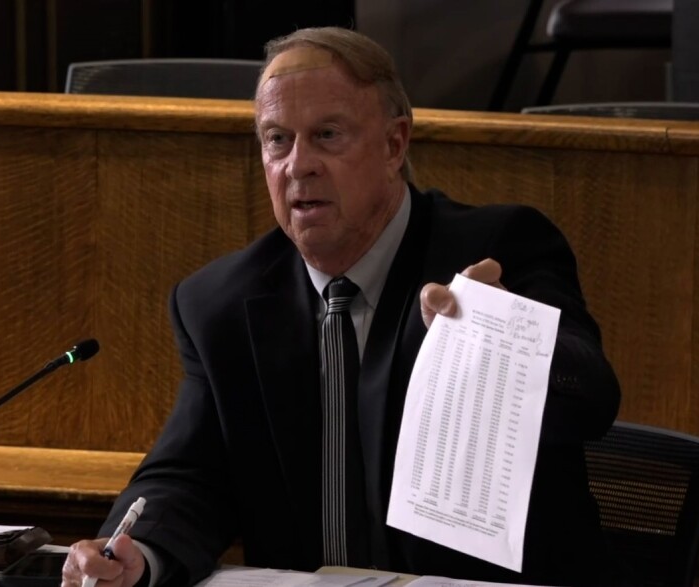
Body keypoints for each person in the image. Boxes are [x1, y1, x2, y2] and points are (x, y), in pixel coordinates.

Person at [62, 26, 620, 587]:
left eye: (327, 135)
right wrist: (138, 554)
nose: (298, 165)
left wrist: (507, 339)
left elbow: (593, 399)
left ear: (395, 145)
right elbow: (190, 474)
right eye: (277, 139)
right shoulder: (221, 302)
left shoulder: (498, 250)